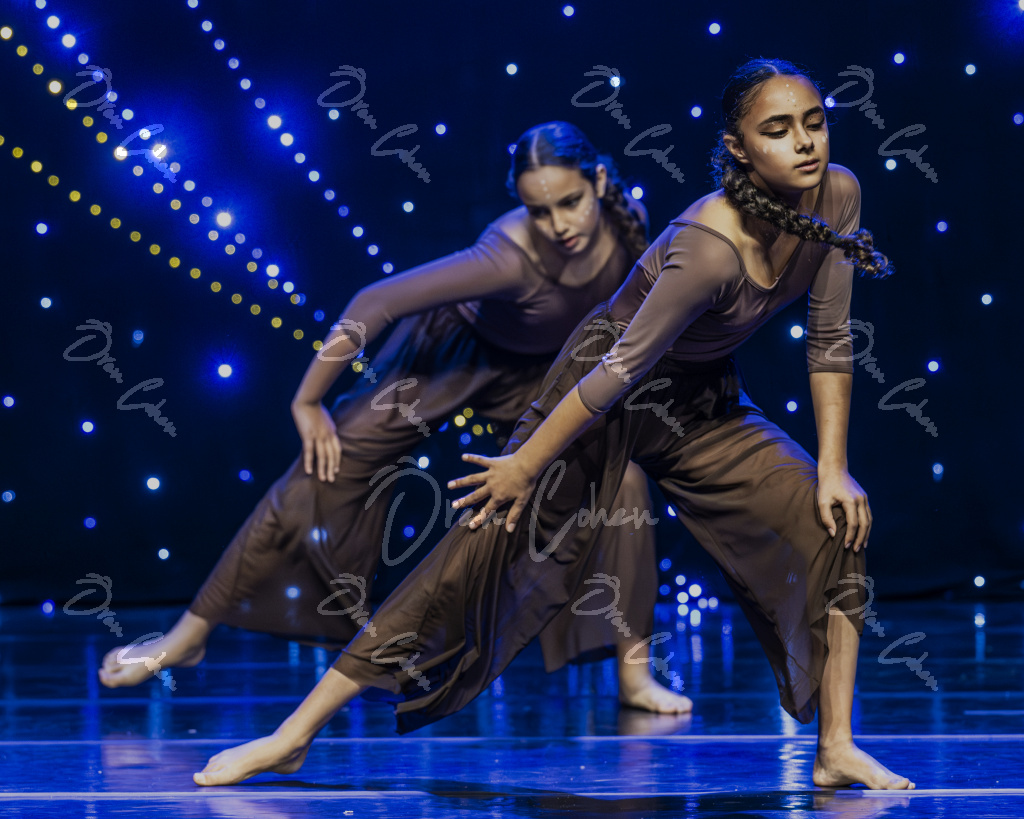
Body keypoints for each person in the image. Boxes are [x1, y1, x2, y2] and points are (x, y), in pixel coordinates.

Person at [191, 58, 914, 790]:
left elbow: (831, 339)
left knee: (834, 519)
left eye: (814, 123)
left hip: (698, 402)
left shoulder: (838, 193)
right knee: (477, 550)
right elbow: (616, 373)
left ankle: (836, 746)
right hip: (603, 388)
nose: (805, 142)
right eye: (778, 130)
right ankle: (291, 736)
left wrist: (833, 467)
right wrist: (524, 465)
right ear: (738, 147)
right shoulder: (707, 246)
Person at [99, 121, 690, 715]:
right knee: (328, 463)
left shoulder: (630, 224)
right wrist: (307, 400)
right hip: (452, 355)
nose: (559, 224)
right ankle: (189, 636)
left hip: (544, 372)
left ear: (600, 181)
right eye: (539, 211)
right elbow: (375, 302)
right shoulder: (507, 257)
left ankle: (635, 676)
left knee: (624, 482)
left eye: (570, 202)